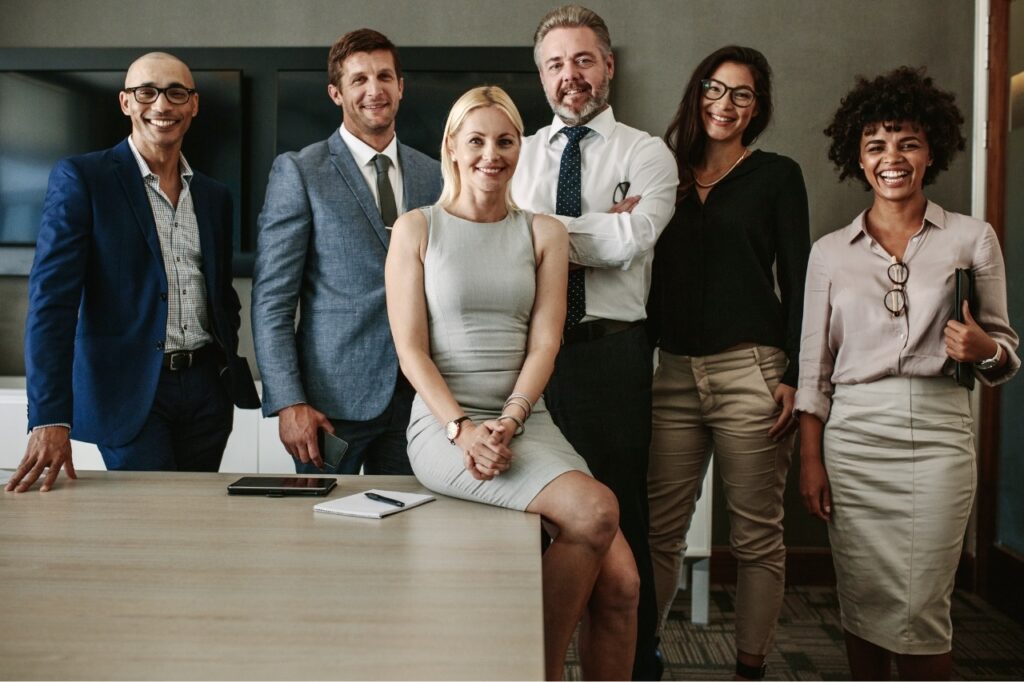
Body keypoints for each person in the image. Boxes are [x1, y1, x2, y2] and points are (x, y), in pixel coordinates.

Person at [386, 84, 639, 682]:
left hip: (526, 420)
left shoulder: (544, 233)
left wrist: (511, 418)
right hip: (444, 426)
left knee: (624, 585)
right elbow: (410, 351)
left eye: (505, 140)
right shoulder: (415, 229)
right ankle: (540, 672)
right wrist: (463, 429)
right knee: (597, 508)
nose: (491, 154)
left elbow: (545, 343)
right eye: (476, 140)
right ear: (452, 147)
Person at [797, 66, 1019, 680]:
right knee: (862, 597)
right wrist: (811, 459)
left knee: (922, 608)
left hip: (940, 435)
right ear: (858, 159)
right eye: (875, 145)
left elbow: (1006, 351)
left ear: (931, 153)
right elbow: (814, 367)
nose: (891, 157)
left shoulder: (972, 239)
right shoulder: (828, 253)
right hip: (853, 436)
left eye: (907, 142)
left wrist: (982, 349)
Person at [510, 6, 678, 678]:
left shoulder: (646, 152)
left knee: (621, 514)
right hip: (530, 365)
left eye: (583, 60)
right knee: (530, 523)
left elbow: (632, 240)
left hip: (612, 358)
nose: (570, 76)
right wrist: (590, 231)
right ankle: (529, 665)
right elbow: (498, 247)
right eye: (555, 64)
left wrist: (539, 235)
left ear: (608, 65)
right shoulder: (513, 154)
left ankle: (633, 668)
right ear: (541, 77)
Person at [7, 52, 259, 494]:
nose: (162, 105)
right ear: (126, 102)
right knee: (153, 522)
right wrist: (49, 415)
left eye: (176, 93)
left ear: (193, 105)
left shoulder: (215, 196)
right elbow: (52, 304)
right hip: (129, 393)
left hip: (206, 392)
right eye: (147, 92)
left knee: (199, 521)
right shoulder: (83, 178)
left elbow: (220, 294)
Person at [645, 46, 810, 681]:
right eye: (716, 89)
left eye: (742, 94)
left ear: (757, 108)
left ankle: (749, 670)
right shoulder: (665, 172)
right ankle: (643, 658)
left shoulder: (776, 175)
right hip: (674, 374)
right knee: (659, 535)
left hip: (754, 374)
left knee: (755, 538)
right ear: (697, 93)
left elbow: (799, 282)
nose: (726, 103)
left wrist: (796, 374)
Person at [252, 29, 441, 475]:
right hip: (331, 404)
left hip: (420, 397)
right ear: (336, 93)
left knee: (405, 531)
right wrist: (288, 402)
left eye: (384, 76)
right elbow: (273, 301)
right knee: (323, 538)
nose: (374, 90)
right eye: (358, 80)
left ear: (401, 86)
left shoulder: (435, 173)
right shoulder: (300, 171)